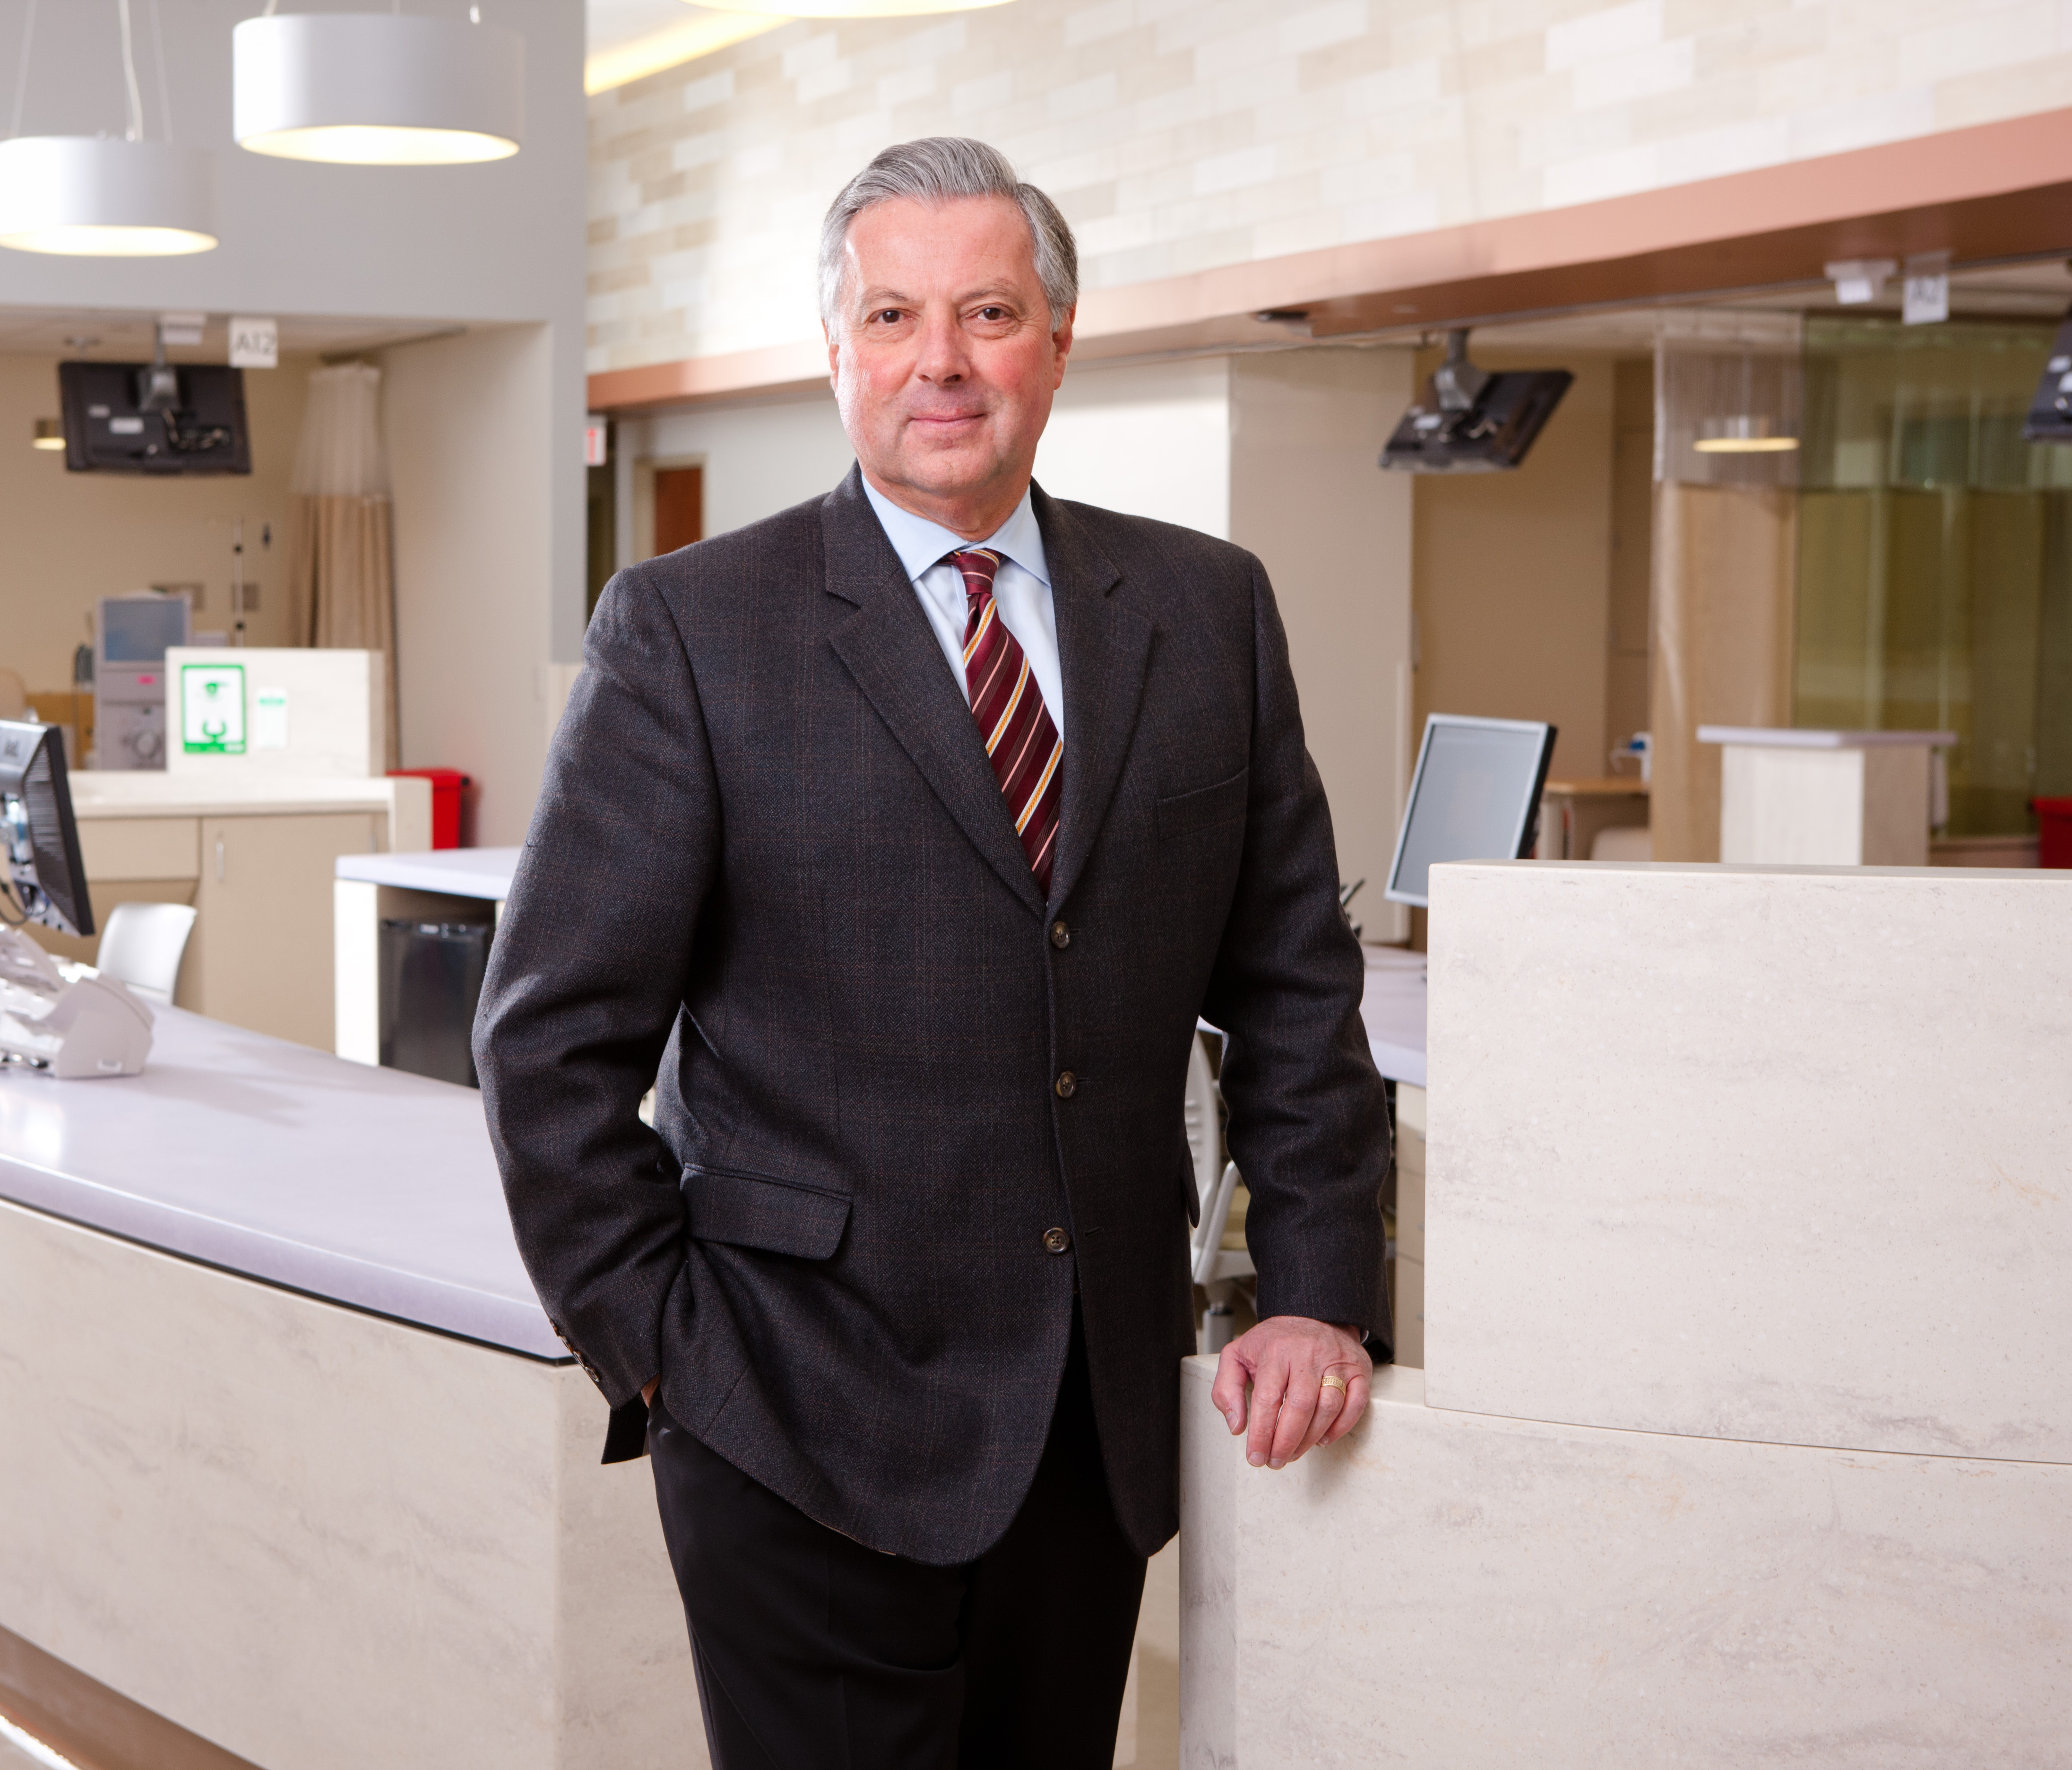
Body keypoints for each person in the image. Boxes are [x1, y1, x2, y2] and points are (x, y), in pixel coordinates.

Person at [474, 136, 1389, 1770]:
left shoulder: (1208, 610)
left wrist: (1318, 1293)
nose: (941, 361)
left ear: (1059, 339)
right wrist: (665, 1350)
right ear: (835, 350)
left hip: (1093, 1426)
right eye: (893, 316)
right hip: (790, 1417)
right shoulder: (692, 628)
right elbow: (548, 1040)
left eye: (989, 312)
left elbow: (1296, 993)